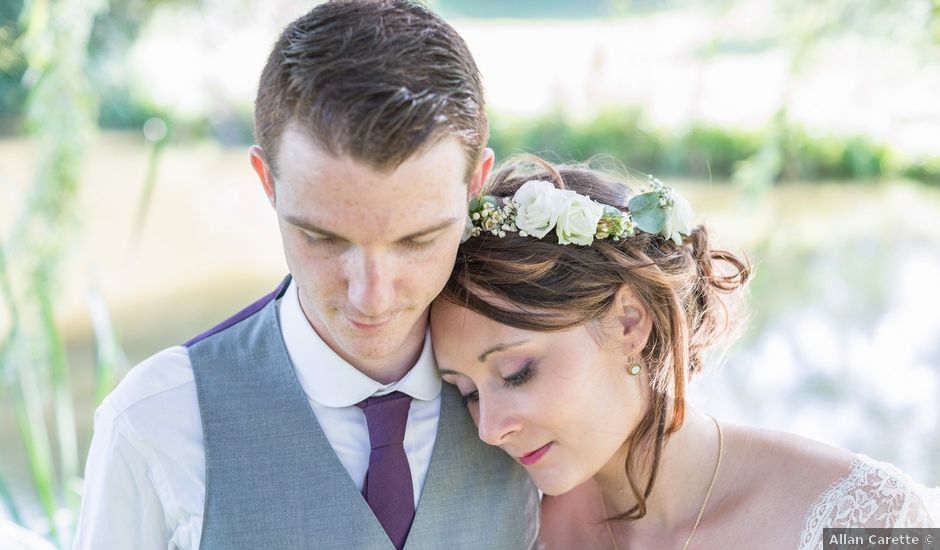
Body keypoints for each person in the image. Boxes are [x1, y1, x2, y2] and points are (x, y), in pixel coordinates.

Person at [73, 2, 539, 549]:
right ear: (266, 182)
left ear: (474, 185)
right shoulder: (155, 423)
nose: (371, 296)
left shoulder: (544, 405)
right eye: (325, 238)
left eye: (418, 240)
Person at [430, 155, 940, 550]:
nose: (489, 428)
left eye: (517, 372)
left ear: (630, 322)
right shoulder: (518, 533)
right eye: (467, 392)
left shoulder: (873, 515)